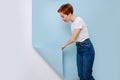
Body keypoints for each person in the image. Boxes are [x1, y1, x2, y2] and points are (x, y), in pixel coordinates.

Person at [57, 3, 95, 80]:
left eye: (63, 16)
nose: (62, 19)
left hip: (87, 49)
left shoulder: (78, 20)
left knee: (87, 75)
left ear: (69, 13)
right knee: (81, 75)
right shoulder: (72, 24)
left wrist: (64, 45)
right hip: (79, 49)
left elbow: (73, 38)